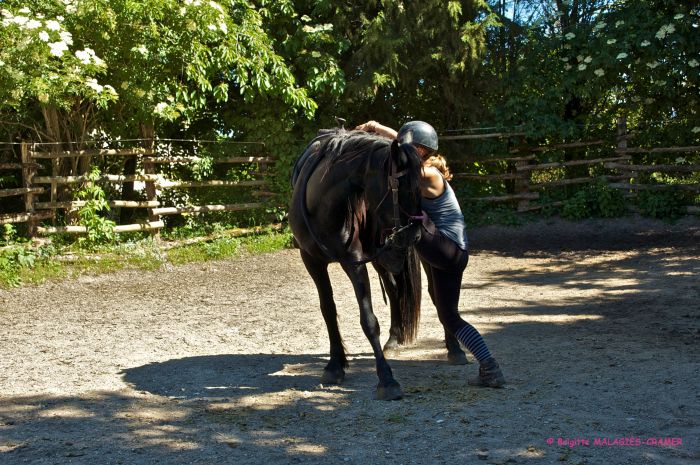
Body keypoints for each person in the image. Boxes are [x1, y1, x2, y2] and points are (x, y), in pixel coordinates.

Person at [355, 120, 506, 388]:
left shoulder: (427, 176)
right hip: (443, 251)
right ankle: (489, 368)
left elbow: (396, 158)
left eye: (408, 148)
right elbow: (400, 146)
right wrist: (377, 128)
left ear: (420, 151)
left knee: (410, 223)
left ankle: (390, 257)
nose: (401, 152)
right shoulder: (423, 167)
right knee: (448, 314)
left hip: (449, 251)